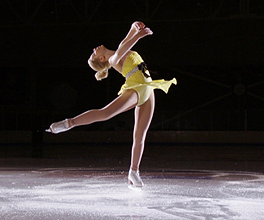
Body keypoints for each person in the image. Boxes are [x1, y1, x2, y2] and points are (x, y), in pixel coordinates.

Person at [46, 21, 177, 188]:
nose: (94, 49)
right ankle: (69, 123)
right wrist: (138, 35)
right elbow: (124, 46)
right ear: (102, 58)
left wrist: (133, 27)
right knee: (105, 113)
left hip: (148, 90)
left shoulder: (120, 49)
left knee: (140, 136)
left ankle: (134, 172)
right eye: (93, 54)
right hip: (136, 88)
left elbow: (124, 41)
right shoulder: (114, 60)